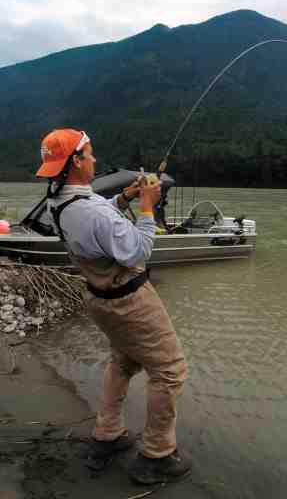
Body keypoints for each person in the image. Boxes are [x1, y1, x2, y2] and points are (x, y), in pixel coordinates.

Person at [36, 128, 191, 484]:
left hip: (100, 300)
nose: (94, 160)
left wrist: (127, 196)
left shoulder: (58, 200)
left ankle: (107, 434)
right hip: (130, 301)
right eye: (89, 154)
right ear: (75, 161)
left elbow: (95, 216)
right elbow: (138, 249)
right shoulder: (92, 212)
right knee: (169, 371)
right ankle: (157, 455)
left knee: (123, 362)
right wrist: (148, 207)